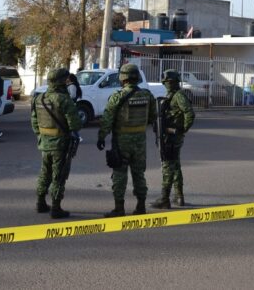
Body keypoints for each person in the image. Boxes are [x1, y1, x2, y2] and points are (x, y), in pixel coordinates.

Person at [96, 64, 156, 217]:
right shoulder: (147, 95)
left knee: (119, 174)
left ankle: (119, 208)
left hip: (121, 141)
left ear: (123, 78)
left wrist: (101, 137)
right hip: (140, 141)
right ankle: (141, 206)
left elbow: (107, 119)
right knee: (139, 174)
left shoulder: (117, 96)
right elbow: (153, 117)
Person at [32, 68, 82, 219]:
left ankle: (40, 203)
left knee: (44, 173)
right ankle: (56, 208)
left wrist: (42, 136)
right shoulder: (64, 99)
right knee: (59, 176)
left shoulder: (39, 98)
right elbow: (75, 124)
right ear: (61, 81)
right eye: (65, 79)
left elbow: (34, 122)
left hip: (44, 143)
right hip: (60, 145)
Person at [151, 69, 195, 209]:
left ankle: (164, 198)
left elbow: (189, 113)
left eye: (168, 82)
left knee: (167, 167)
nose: (166, 84)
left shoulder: (178, 96)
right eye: (166, 82)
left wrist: (183, 130)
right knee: (175, 166)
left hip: (172, 136)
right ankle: (179, 196)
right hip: (169, 135)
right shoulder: (171, 95)